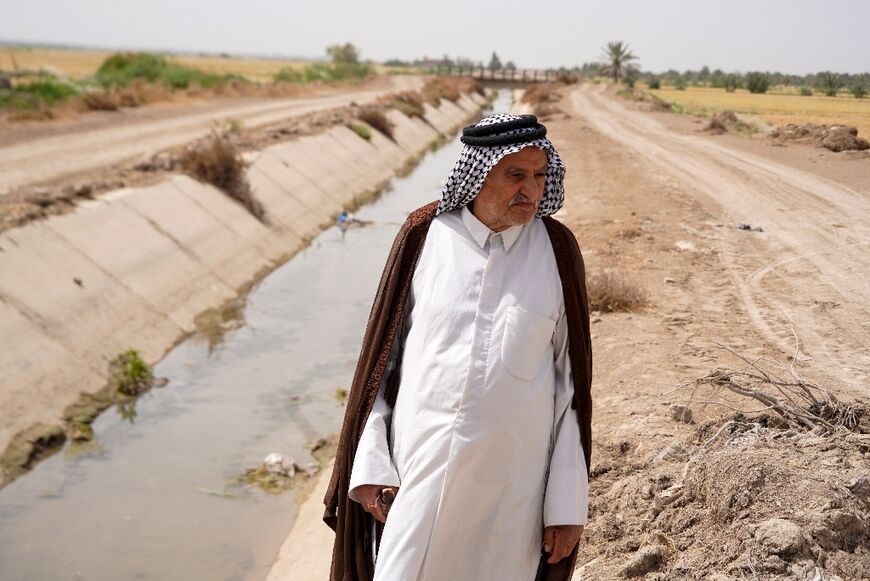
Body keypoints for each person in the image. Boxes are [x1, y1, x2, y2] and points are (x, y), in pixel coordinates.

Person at [323, 113, 593, 581]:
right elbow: (383, 371)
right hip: (417, 477)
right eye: (515, 175)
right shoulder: (424, 236)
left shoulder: (556, 251)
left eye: (539, 176)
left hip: (512, 491)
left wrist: (566, 506)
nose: (530, 189)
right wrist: (370, 467)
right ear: (478, 172)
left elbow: (572, 391)